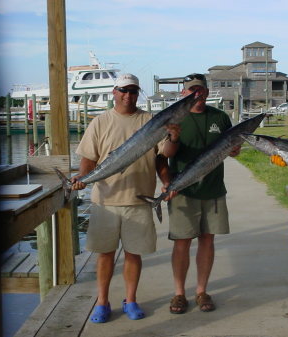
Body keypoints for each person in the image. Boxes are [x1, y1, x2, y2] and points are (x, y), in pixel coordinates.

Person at [71, 73, 178, 323]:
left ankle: (130, 300)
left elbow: (163, 156)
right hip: (105, 201)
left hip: (139, 200)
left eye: (133, 91)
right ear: (114, 92)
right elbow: (88, 159)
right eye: (123, 91)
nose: (128, 95)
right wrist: (80, 178)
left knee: (133, 254)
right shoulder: (100, 121)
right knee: (105, 254)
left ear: (138, 93)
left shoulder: (151, 121)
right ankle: (102, 302)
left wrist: (173, 138)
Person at [161, 73, 240, 314]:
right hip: (183, 190)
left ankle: (201, 291)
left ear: (206, 91)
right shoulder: (175, 119)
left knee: (208, 240)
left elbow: (232, 147)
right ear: (183, 93)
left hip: (214, 190)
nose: (197, 94)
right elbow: (166, 154)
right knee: (182, 242)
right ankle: (179, 293)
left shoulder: (220, 116)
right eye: (191, 91)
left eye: (201, 90)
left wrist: (235, 150)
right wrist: (173, 137)